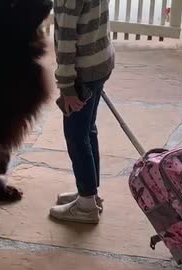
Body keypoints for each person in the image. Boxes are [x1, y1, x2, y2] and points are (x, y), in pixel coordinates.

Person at [49, 0, 115, 224]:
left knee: (77, 136)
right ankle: (90, 191)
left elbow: (67, 41)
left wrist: (66, 86)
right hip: (100, 62)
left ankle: (86, 205)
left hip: (83, 73)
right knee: (88, 130)